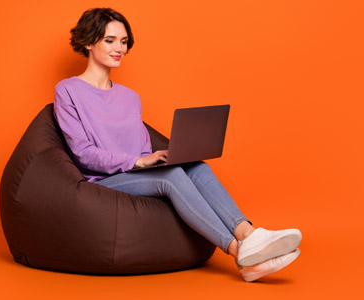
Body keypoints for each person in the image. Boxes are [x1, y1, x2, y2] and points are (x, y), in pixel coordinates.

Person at [53, 8, 302, 282]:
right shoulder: (68, 91)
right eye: (110, 40)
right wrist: (137, 162)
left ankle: (248, 234)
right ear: (89, 42)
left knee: (196, 166)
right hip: (102, 180)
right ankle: (238, 252)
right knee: (171, 178)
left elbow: (141, 146)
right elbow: (83, 154)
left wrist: (156, 157)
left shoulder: (130, 97)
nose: (119, 49)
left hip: (134, 173)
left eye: (124, 42)